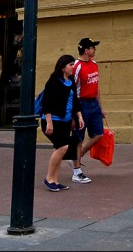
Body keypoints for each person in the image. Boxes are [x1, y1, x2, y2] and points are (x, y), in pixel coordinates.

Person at [40, 54, 83, 191]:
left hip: (65, 121)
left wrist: (79, 117)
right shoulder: (53, 81)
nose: (73, 67)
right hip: (53, 120)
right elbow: (46, 103)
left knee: (59, 149)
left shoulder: (71, 81)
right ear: (63, 67)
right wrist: (49, 122)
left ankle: (55, 180)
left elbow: (75, 101)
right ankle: (48, 178)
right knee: (63, 147)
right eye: (70, 65)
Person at [70, 38, 104, 184]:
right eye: (92, 48)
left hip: (93, 103)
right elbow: (72, 89)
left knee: (98, 134)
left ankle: (77, 156)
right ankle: (77, 172)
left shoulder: (94, 65)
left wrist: (100, 107)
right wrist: (73, 113)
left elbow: (96, 88)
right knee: (78, 137)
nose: (94, 50)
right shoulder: (76, 67)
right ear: (86, 50)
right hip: (81, 104)